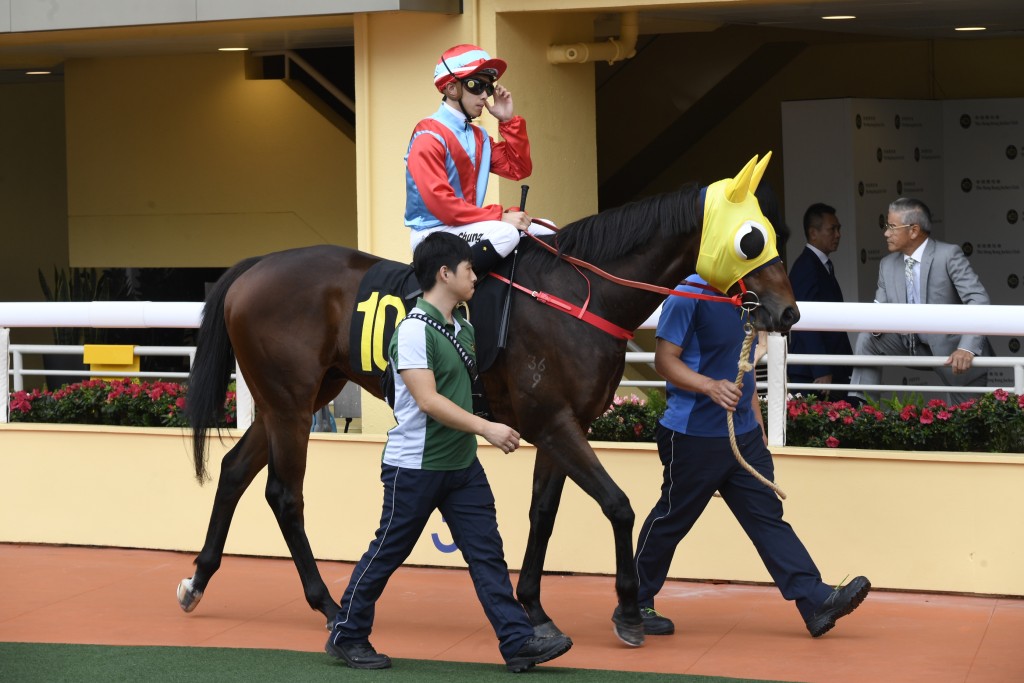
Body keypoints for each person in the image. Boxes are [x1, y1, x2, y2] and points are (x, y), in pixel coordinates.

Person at [325, 232, 572, 673]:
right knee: (387, 553)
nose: (474, 276)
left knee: (487, 553)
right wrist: (487, 429)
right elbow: (429, 400)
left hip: (460, 465)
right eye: (468, 269)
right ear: (445, 274)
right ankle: (347, 633)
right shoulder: (414, 330)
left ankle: (517, 642)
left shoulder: (461, 326)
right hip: (415, 468)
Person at [619, 274, 870, 638]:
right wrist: (708, 386)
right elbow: (664, 361)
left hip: (743, 436)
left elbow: (743, 369)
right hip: (692, 435)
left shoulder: (746, 297)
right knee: (672, 519)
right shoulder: (688, 294)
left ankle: (814, 601)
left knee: (767, 518)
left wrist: (758, 429)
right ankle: (634, 602)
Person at [404, 44, 554, 274]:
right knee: (506, 233)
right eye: (476, 85)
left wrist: (507, 121)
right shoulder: (428, 135)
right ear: (452, 89)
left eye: (488, 87)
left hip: (465, 227)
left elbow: (518, 168)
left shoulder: (479, 137)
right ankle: (449, 293)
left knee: (548, 229)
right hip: (432, 235)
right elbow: (443, 207)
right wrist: (500, 216)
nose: (485, 95)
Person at [849, 198, 992, 406]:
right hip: (908, 345)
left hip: (953, 351)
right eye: (885, 226)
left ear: (914, 230)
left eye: (891, 227)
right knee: (868, 339)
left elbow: (978, 299)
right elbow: (879, 310)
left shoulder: (948, 255)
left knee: (968, 427)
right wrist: (876, 326)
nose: (886, 233)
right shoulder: (887, 265)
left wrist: (967, 349)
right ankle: (863, 410)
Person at [787, 203, 853, 399]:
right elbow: (803, 318)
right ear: (813, 233)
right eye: (832, 229)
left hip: (825, 369)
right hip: (813, 374)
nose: (838, 234)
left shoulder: (820, 264)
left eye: (839, 228)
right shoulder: (806, 266)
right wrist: (821, 367)